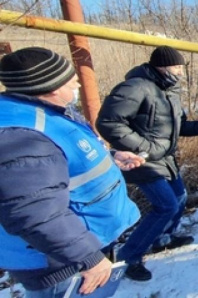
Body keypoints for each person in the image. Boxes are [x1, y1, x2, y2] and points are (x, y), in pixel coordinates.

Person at [0, 47, 141, 296]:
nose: (77, 82)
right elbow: (35, 212)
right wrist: (89, 258)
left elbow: (56, 164)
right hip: (62, 263)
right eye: (70, 79)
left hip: (76, 245)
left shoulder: (40, 113)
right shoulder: (22, 136)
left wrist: (110, 158)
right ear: (52, 86)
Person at [96, 46, 198, 281]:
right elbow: (108, 121)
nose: (181, 73)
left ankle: (164, 238)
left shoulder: (171, 92)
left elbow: (181, 128)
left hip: (165, 158)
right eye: (177, 67)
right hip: (142, 160)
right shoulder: (136, 87)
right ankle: (129, 257)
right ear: (161, 66)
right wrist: (142, 146)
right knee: (166, 206)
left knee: (180, 198)